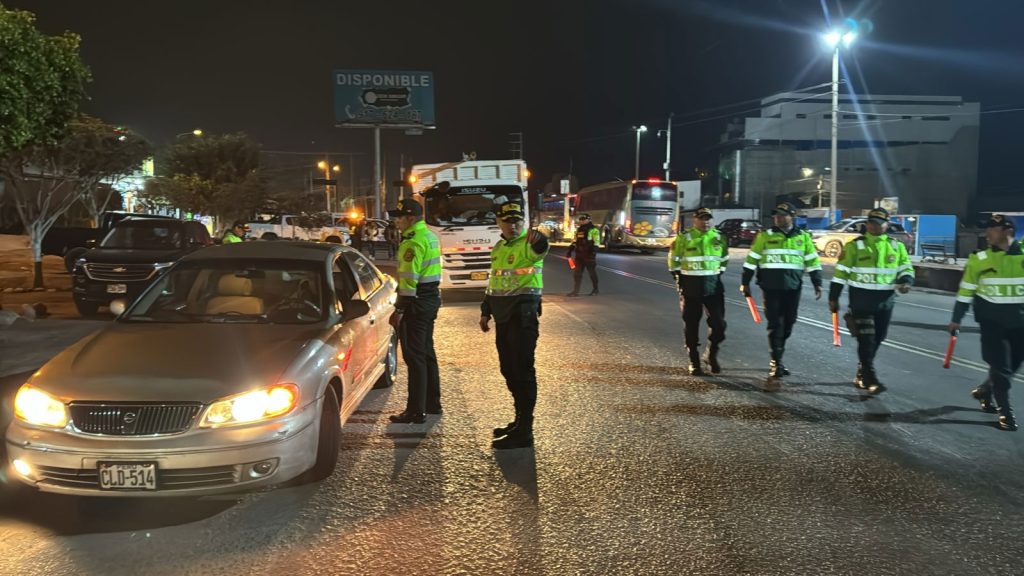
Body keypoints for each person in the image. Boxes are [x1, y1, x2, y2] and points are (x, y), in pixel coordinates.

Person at [480, 200, 548, 449]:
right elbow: (494, 283)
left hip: (522, 317)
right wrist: (485, 311)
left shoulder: (528, 245)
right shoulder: (498, 248)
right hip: (502, 318)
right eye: (508, 221)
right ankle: (519, 420)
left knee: (522, 371)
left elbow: (541, 246)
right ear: (498, 222)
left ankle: (525, 430)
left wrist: (538, 236)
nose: (513, 225)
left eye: (518, 220)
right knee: (508, 370)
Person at [828, 207, 914, 394]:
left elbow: (906, 268)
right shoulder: (854, 246)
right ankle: (869, 377)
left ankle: (862, 370)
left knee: (878, 337)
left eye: (878, 223)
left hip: (885, 301)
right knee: (866, 339)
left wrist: (906, 281)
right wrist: (833, 297)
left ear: (886, 224)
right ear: (867, 224)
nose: (874, 226)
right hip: (861, 301)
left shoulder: (895, 246)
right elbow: (840, 274)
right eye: (871, 223)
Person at [949, 214, 1023, 431]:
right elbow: (965, 292)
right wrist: (956, 319)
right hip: (992, 324)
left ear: (1007, 231)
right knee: (1000, 369)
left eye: (992, 228)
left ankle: (984, 390)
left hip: (1020, 324)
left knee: (1012, 367)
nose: (987, 233)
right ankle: (1005, 412)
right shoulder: (978, 259)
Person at [741, 202, 823, 378]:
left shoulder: (803, 237)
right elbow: (751, 260)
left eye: (782, 215)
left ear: (792, 216)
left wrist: (817, 282)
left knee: (789, 324)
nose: (778, 217)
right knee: (775, 324)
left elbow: (812, 261)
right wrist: (745, 282)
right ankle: (775, 362)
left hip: (793, 287)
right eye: (776, 215)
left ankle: (779, 357)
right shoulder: (765, 236)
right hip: (770, 288)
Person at [387, 199, 443, 424]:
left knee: (414, 356)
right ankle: (432, 403)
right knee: (427, 353)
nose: (395, 221)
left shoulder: (411, 242)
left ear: (410, 218)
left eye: (399, 217)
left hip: (416, 303)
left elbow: (409, 283)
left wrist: (399, 309)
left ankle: (415, 410)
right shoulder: (429, 236)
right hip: (429, 299)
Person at [667, 207, 728, 375]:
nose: (705, 221)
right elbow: (674, 261)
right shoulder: (684, 237)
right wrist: (679, 279)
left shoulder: (719, 237)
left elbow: (724, 260)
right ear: (695, 220)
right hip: (691, 286)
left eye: (708, 218)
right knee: (691, 324)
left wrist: (714, 274)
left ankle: (711, 354)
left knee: (719, 325)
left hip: (713, 286)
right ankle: (694, 360)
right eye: (702, 218)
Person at [566, 213, 601, 296]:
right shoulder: (579, 230)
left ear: (589, 219)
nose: (581, 221)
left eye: (583, 219)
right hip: (579, 255)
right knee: (577, 274)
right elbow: (575, 241)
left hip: (589, 255)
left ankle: (595, 289)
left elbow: (596, 242)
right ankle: (575, 291)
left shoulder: (594, 230)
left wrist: (593, 253)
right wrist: (570, 250)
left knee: (592, 273)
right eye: (580, 219)